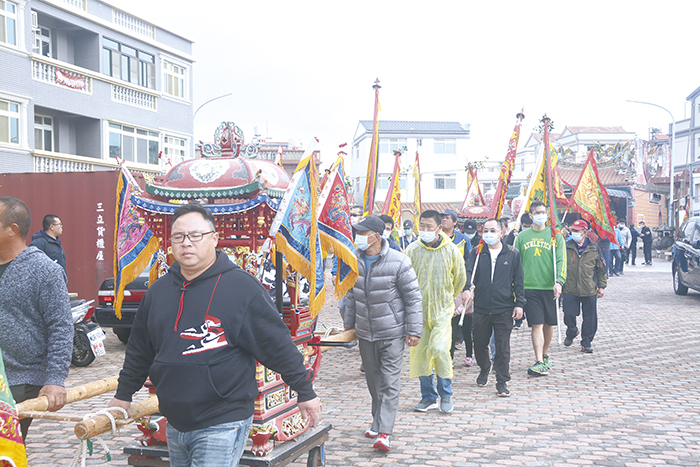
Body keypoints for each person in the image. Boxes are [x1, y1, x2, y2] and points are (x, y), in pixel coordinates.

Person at [109, 203, 321, 467]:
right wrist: (124, 393)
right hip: (175, 419)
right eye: (179, 237)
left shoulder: (242, 288)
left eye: (196, 235)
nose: (187, 243)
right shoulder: (159, 291)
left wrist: (304, 390)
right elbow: (141, 348)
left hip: (222, 420)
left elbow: (276, 344)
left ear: (214, 238)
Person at [344, 215, 422, 451]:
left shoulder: (399, 261)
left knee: (389, 381)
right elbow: (350, 296)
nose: (358, 237)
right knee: (373, 380)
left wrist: (413, 329)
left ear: (375, 236)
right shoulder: (352, 261)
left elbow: (413, 299)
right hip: (366, 333)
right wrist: (349, 326)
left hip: (392, 332)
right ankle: (377, 421)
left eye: (362, 233)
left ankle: (384, 432)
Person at [0, 197, 72, 441]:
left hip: (20, 380)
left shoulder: (45, 271)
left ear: (13, 230)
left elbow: (61, 328)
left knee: (7, 448)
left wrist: (54, 380)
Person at [405, 210, 466, 414]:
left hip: (441, 311)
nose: (424, 230)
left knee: (440, 350)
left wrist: (447, 300)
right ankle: (428, 397)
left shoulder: (451, 250)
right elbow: (404, 279)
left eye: (429, 226)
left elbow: (459, 279)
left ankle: (446, 395)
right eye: (421, 226)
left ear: (440, 228)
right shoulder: (412, 249)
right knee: (421, 354)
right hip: (418, 312)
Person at [464, 218, 524, 397]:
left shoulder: (512, 253)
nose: (488, 234)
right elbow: (468, 273)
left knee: (502, 346)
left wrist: (519, 303)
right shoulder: (477, 252)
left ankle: (502, 380)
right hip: (481, 307)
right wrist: (467, 288)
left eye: (492, 230)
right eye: (485, 230)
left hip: (504, 307)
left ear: (501, 233)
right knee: (480, 342)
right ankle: (484, 368)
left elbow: (519, 281)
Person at [513, 200, 566, 377]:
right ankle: (539, 361)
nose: (541, 215)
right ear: (531, 215)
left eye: (543, 212)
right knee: (536, 324)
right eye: (537, 212)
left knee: (548, 324)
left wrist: (559, 281)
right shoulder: (522, 237)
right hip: (529, 287)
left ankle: (545, 354)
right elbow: (515, 262)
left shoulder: (555, 236)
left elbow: (561, 260)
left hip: (549, 287)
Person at [562, 219, 607, 353]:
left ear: (584, 232)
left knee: (590, 318)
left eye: (577, 231)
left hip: (589, 288)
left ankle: (586, 342)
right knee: (568, 314)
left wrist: (601, 286)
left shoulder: (594, 248)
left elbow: (601, 269)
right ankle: (571, 331)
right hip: (570, 288)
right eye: (572, 231)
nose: (574, 233)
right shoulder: (566, 247)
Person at [441, 209, 474, 367]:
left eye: (448, 218)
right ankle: (448, 357)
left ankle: (468, 354)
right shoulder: (437, 238)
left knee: (463, 323)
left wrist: (468, 286)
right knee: (446, 325)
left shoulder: (463, 239)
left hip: (460, 286)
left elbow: (469, 264)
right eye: (443, 218)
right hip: (441, 287)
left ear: (455, 222)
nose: (444, 220)